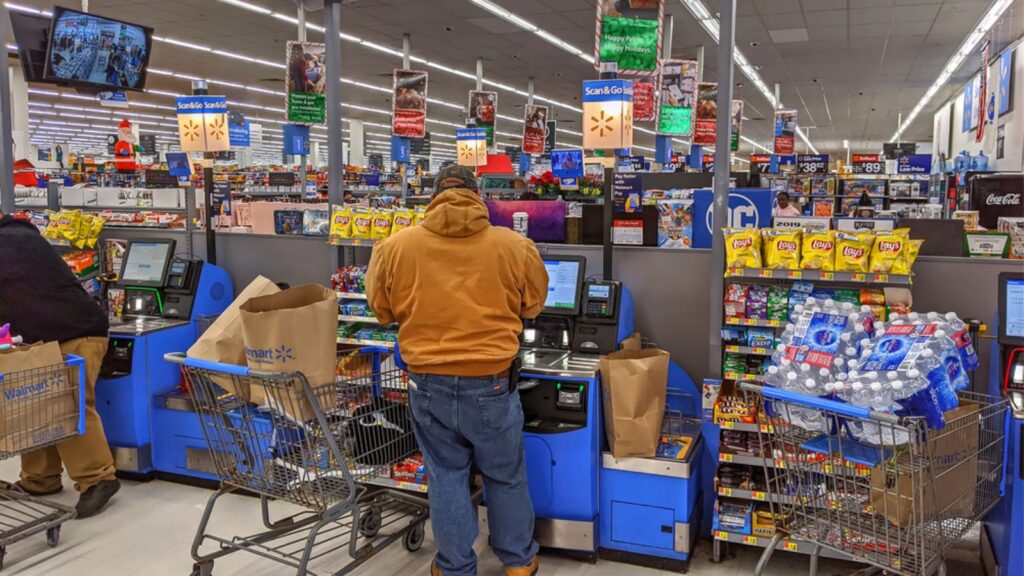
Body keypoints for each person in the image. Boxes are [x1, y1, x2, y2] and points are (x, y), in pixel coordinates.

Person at [367, 165, 548, 576]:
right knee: (504, 474)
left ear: (432, 196)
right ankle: (518, 561)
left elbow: (382, 311)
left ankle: (454, 566)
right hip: (492, 382)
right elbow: (533, 305)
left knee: (446, 475)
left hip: (426, 383)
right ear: (476, 194)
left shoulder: (394, 247)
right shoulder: (514, 246)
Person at [0, 213, 120, 518]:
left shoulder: (11, 242)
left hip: (76, 332)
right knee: (35, 405)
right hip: (49, 334)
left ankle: (98, 479)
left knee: (70, 405)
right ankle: (40, 480)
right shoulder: (19, 235)